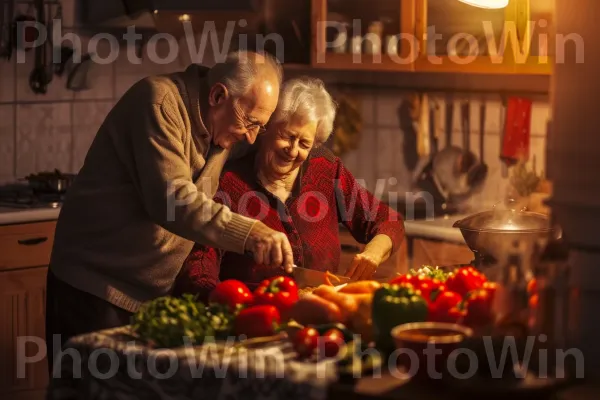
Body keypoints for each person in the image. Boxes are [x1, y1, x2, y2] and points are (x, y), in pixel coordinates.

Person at [45, 51, 296, 373]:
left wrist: (303, 139)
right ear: (218, 95)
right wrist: (251, 232)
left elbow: (268, 143)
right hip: (95, 286)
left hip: (152, 294)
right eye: (249, 123)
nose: (249, 137)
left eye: (258, 127)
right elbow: (173, 201)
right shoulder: (158, 102)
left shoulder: (225, 118)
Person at [172, 77, 404, 300]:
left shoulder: (324, 168)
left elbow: (387, 220)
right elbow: (199, 268)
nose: (293, 151)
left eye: (304, 143)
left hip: (321, 314)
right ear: (266, 129)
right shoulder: (229, 181)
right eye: (287, 136)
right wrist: (228, 305)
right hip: (258, 318)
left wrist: (372, 253)